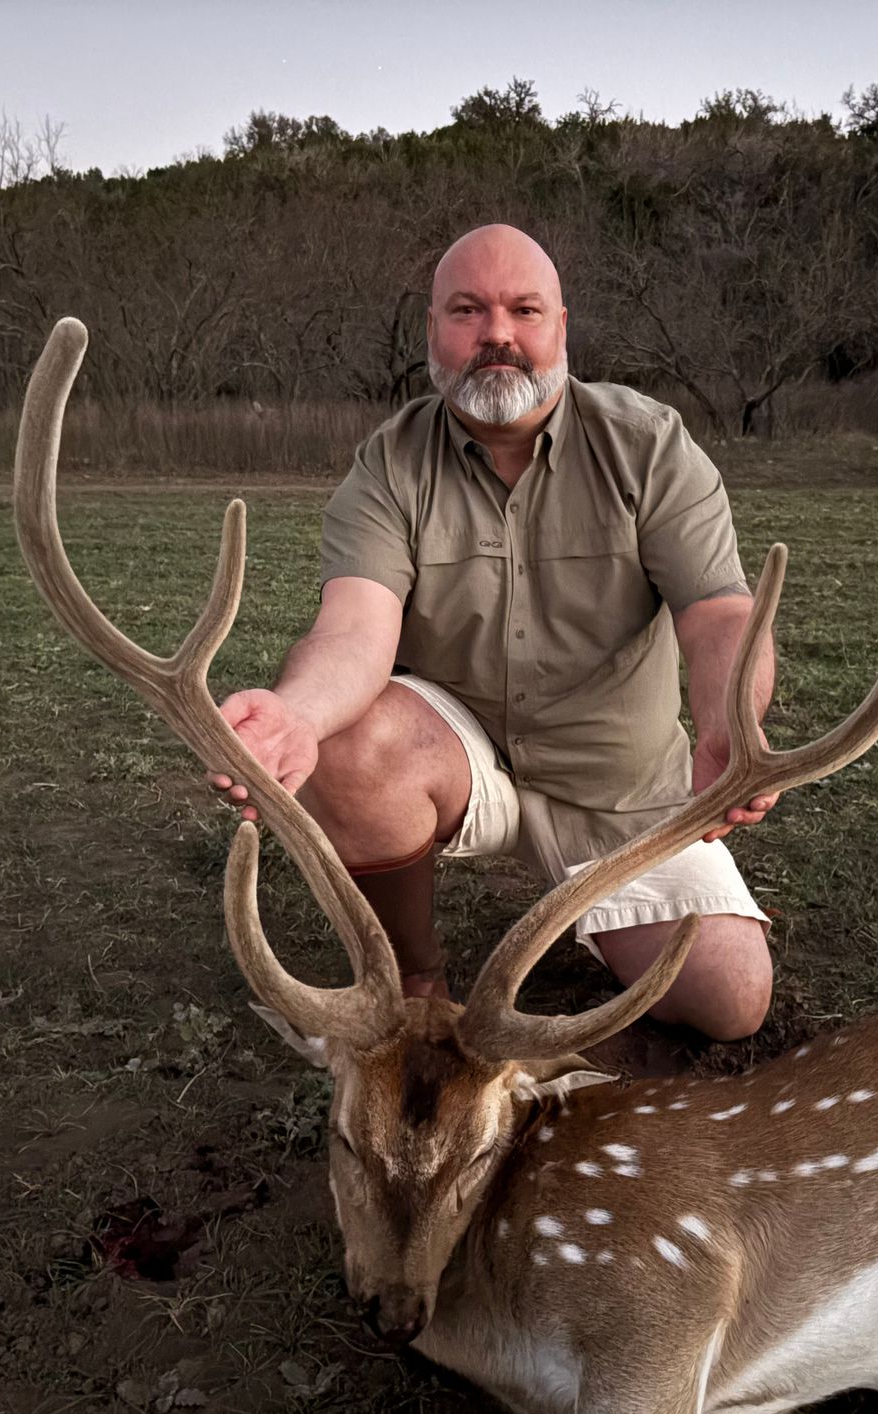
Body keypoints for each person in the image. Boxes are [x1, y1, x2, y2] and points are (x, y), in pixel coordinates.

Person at [206, 223, 778, 1041]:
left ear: (561, 329)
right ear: (433, 331)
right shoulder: (389, 464)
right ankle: (410, 979)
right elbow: (354, 634)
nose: (497, 334)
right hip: (460, 759)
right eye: (467, 310)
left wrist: (730, 723)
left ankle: (593, 898)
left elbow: (720, 614)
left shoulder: (647, 444)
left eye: (524, 310)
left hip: (617, 791)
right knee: (354, 741)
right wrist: (297, 714)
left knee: (732, 1000)